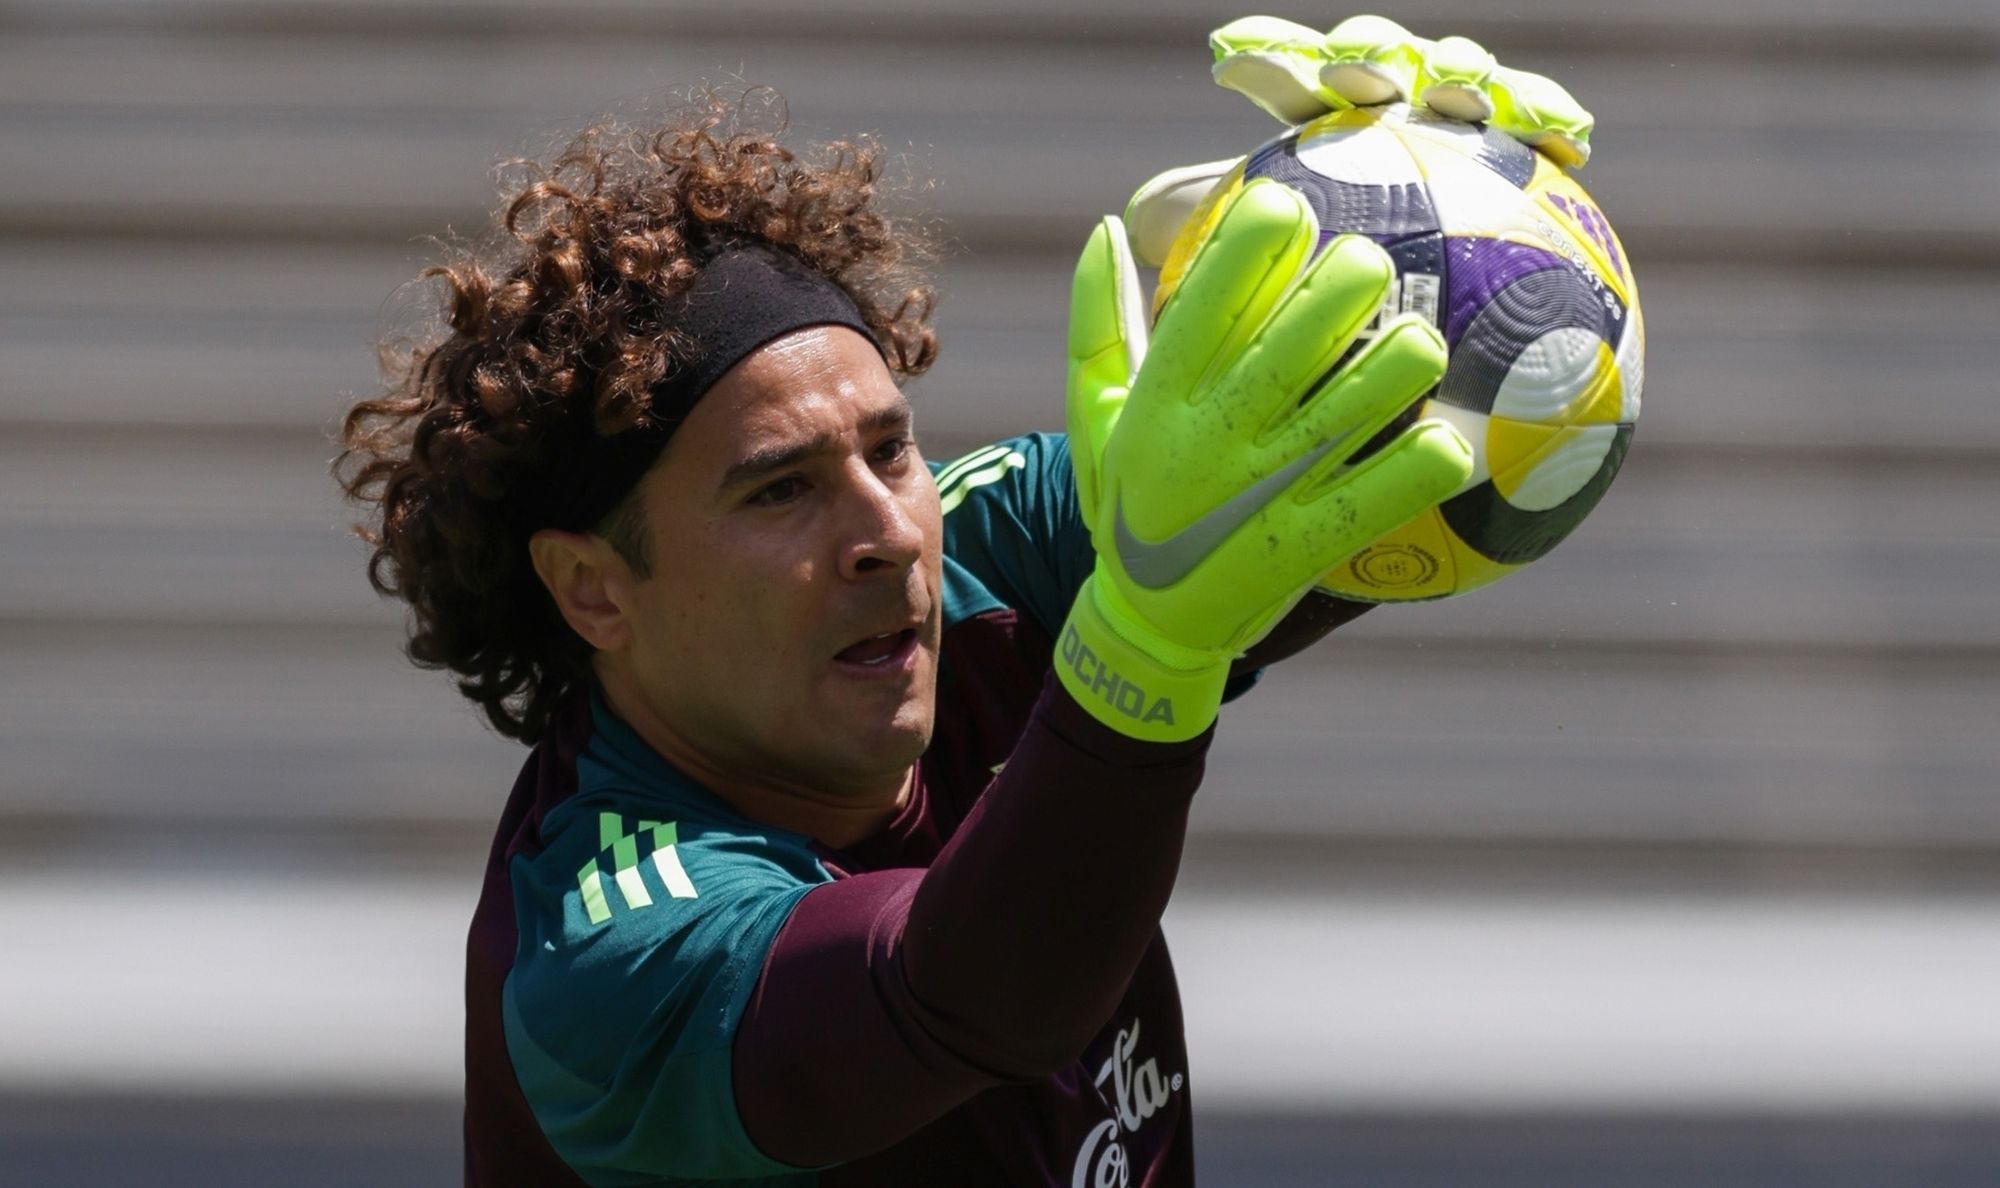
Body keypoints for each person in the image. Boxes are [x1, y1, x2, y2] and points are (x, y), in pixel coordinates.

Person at [337, 16, 1594, 1185]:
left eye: (888, 450)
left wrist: (1433, 239)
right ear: (593, 589)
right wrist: (1140, 660)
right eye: (778, 492)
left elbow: (1338, 497)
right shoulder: (602, 942)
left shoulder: (976, 548)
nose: (888, 534)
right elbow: (962, 997)